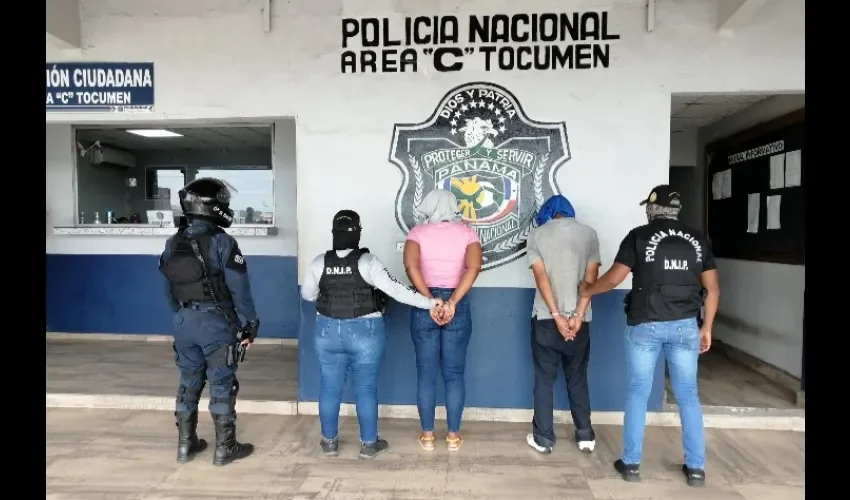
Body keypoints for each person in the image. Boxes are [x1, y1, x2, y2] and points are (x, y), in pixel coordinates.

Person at [578, 184, 719, 487]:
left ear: (652, 209)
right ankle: (696, 469)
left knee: (638, 393)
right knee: (688, 396)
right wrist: (706, 326)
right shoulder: (698, 239)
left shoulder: (639, 236)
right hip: (685, 325)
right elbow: (712, 288)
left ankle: (631, 464)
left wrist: (588, 289)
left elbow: (614, 278)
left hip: (646, 324)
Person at [301, 209, 445, 459]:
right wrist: (431, 303)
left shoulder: (318, 262)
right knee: (365, 388)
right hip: (364, 332)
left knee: (329, 387)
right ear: (357, 232)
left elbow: (308, 295)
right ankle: (369, 444)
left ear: (334, 232)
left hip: (327, 330)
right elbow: (396, 291)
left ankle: (329, 442)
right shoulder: (368, 262)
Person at [159, 178, 260, 467]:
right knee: (221, 383)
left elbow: (168, 289)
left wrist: (182, 316)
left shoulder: (173, 242)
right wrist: (251, 322)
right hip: (216, 323)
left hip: (183, 321)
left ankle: (185, 445)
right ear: (212, 205)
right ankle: (225, 449)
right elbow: (240, 289)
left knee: (188, 382)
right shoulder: (222, 241)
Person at [403, 189, 482, 452]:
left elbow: (411, 267)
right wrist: (452, 302)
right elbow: (474, 267)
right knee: (454, 374)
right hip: (457, 304)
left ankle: (427, 437)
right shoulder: (468, 233)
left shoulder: (416, 233)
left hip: (424, 304)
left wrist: (430, 301)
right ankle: (452, 436)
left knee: (426, 374)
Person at [524, 195, 600, 455]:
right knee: (578, 377)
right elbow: (591, 276)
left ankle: (544, 438)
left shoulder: (537, 235)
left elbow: (540, 276)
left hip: (546, 320)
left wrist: (556, 315)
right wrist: (577, 314)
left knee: (544, 379)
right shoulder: (589, 234)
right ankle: (585, 435)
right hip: (580, 321)